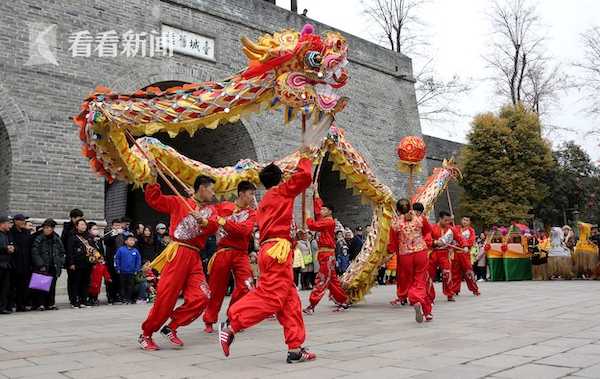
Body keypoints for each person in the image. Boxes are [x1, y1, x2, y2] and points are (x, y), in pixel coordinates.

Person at [221, 153, 317, 364]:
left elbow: (275, 229)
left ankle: (295, 348)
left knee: (290, 301)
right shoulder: (281, 192)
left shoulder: (266, 201)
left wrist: (294, 236)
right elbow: (305, 177)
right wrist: (306, 156)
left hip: (273, 249)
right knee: (271, 297)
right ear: (281, 180)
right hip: (277, 252)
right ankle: (233, 324)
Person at [138, 175, 218, 351]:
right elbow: (154, 200)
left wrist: (203, 220)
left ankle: (172, 326)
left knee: (203, 296)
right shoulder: (178, 201)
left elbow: (214, 226)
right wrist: (152, 178)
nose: (213, 193)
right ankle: (146, 334)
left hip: (195, 257)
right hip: (178, 253)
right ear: (202, 188)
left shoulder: (210, 210)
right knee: (166, 298)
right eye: (211, 189)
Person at [202, 180, 257, 334]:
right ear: (241, 193)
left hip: (241, 254)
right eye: (251, 194)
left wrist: (223, 222)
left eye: (253, 194)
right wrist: (194, 197)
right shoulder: (223, 206)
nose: (253, 197)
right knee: (216, 287)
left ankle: (233, 316)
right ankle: (209, 319)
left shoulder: (252, 213)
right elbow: (207, 215)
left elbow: (244, 231)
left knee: (247, 285)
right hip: (223, 251)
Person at [387, 199, 433, 323]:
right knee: (420, 280)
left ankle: (425, 309)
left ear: (398, 210)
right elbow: (428, 231)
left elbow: (392, 244)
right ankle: (421, 305)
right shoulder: (420, 218)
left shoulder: (395, 224)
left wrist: (391, 252)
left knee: (412, 281)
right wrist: (427, 241)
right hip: (421, 252)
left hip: (405, 255)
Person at [304, 190, 349, 314]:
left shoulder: (328, 221)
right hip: (325, 254)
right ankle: (343, 300)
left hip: (327, 255)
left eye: (324, 210)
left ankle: (312, 304)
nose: (321, 211)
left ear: (329, 211)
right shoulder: (324, 219)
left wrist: (308, 216)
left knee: (322, 279)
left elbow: (313, 225)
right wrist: (317, 194)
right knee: (332, 280)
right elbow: (319, 208)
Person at [30, 218, 65, 310]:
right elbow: (34, 252)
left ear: (53, 229)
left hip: (54, 265)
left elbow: (62, 252)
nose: (47, 229)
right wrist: (40, 264)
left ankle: (51, 303)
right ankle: (40, 304)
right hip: (42, 266)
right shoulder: (38, 238)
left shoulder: (57, 239)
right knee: (40, 286)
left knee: (52, 286)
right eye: (45, 228)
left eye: (49, 228)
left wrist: (60, 262)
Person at [428, 211, 462, 302]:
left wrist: (465, 246)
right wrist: (434, 242)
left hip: (445, 253)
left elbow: (460, 238)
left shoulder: (451, 229)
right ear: (440, 219)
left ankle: (449, 294)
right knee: (430, 275)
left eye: (449, 221)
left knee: (447, 273)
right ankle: (429, 295)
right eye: (446, 220)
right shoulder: (432, 228)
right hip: (433, 253)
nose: (448, 223)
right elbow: (427, 239)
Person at [65, 219, 94, 308]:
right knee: (76, 283)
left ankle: (84, 300)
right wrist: (71, 263)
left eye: (84, 225)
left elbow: (93, 249)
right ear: (77, 226)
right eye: (81, 224)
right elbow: (69, 251)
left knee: (85, 282)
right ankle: (75, 301)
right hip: (77, 264)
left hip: (87, 263)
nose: (83, 226)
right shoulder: (72, 237)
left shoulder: (89, 237)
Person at [450, 217, 480, 297]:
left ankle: (474, 289)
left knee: (468, 271)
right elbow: (450, 232)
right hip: (456, 253)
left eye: (467, 220)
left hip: (464, 253)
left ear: (470, 222)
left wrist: (465, 245)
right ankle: (454, 289)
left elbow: (471, 240)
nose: (465, 222)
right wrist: (451, 220)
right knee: (455, 272)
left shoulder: (471, 231)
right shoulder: (456, 228)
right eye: (463, 220)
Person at [9, 214, 32, 312]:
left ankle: (23, 304)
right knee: (15, 286)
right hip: (15, 263)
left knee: (24, 285)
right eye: (22, 220)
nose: (24, 222)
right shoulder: (11, 232)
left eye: (25, 220)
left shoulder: (26, 232)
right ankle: (15, 304)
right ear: (15, 221)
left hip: (26, 263)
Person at [115, 233, 142, 303]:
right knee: (122, 285)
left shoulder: (135, 251)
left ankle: (129, 298)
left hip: (132, 272)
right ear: (125, 241)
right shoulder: (121, 250)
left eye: (133, 240)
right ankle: (123, 298)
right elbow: (117, 259)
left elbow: (138, 261)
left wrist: (136, 269)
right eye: (130, 240)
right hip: (122, 271)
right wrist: (117, 268)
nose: (132, 242)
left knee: (130, 286)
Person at [104, 218, 124, 304]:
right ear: (112, 226)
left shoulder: (123, 235)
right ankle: (111, 296)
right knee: (111, 278)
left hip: (121, 260)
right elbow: (107, 241)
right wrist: (115, 233)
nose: (117, 227)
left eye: (119, 225)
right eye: (115, 225)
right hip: (111, 260)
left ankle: (118, 296)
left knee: (119, 278)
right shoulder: (109, 234)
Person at [0, 215, 14, 314]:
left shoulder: (7, 234)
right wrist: (5, 249)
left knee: (5, 288)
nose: (10, 225)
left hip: (6, 265)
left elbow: (12, 245)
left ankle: (2, 307)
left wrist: (12, 248)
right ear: (2, 224)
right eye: (8, 223)